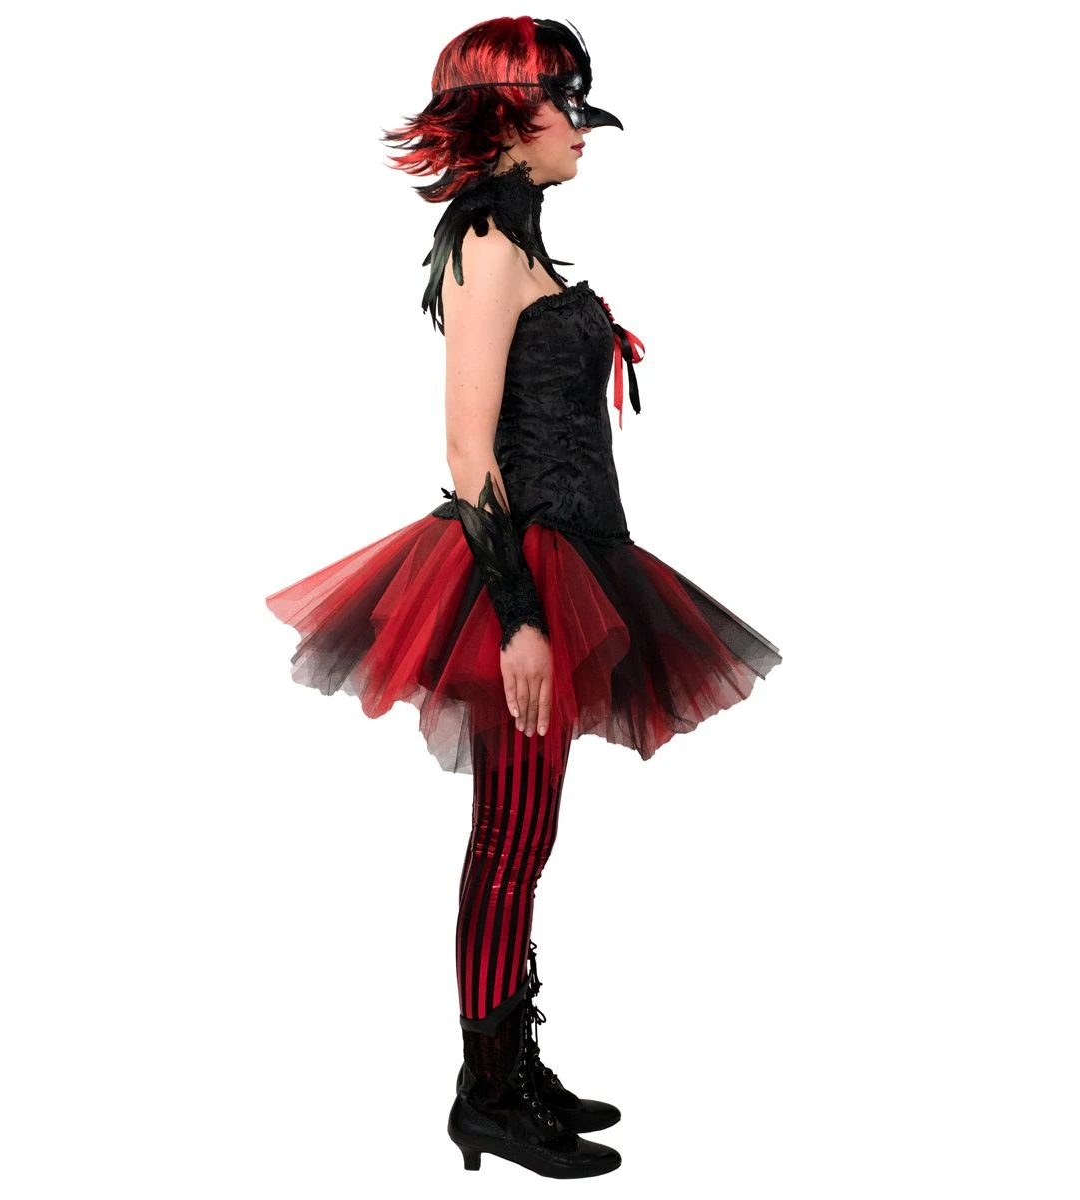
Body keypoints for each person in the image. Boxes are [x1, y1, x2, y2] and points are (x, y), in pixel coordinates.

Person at [264, 16, 783, 1179]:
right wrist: (520, 618)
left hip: (576, 557)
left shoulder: (521, 242)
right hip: (525, 574)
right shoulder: (488, 244)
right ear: (509, 114)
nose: (585, 129)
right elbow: (467, 454)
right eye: (566, 105)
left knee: (525, 837)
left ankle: (511, 1068)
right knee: (509, 837)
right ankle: (488, 1095)